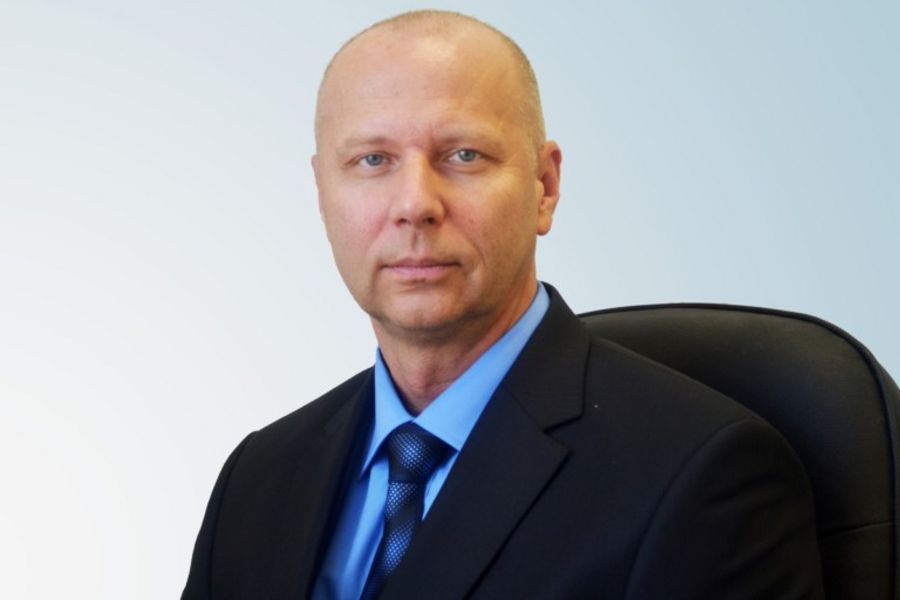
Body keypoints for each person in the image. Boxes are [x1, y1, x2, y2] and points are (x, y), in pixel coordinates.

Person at [182, 10, 824, 599]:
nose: (415, 204)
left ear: (545, 187)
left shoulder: (703, 476)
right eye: (372, 159)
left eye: (464, 155)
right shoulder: (257, 479)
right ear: (323, 194)